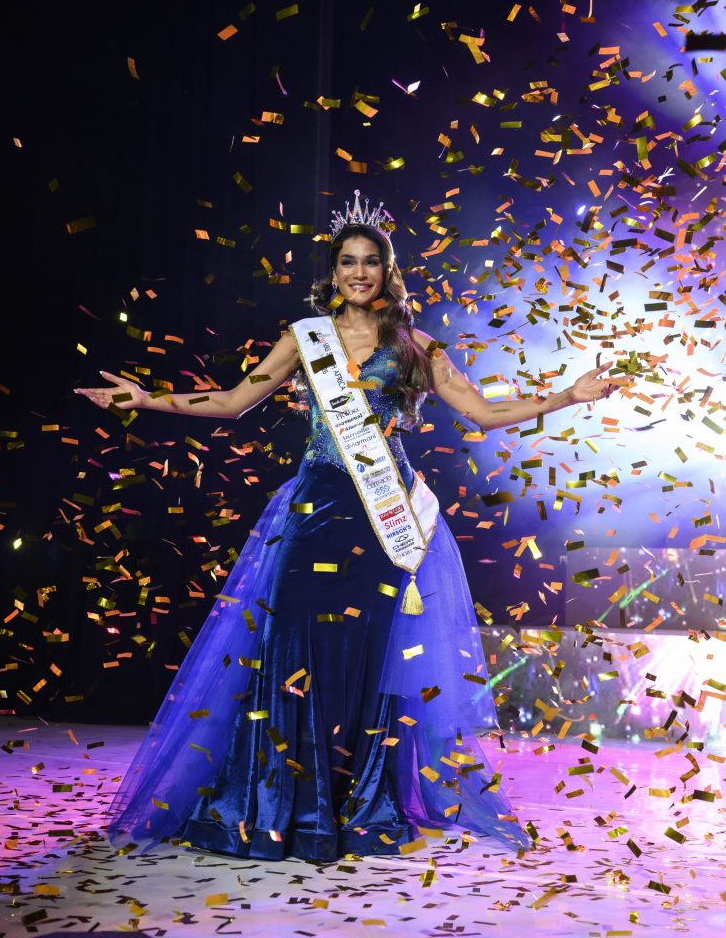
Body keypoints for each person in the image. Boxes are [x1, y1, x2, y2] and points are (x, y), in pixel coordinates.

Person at [75, 191, 625, 862]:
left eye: (370, 262)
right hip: (317, 512)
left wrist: (569, 395)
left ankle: (355, 800)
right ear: (332, 273)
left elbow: (482, 412)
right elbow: (229, 400)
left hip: (383, 517)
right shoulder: (305, 339)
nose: (358, 273)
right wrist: (145, 398)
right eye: (346, 263)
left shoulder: (414, 345)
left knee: (367, 657)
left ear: (387, 272)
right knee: (292, 650)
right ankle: (279, 801)